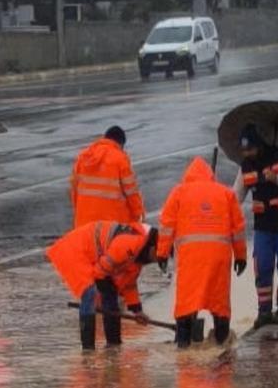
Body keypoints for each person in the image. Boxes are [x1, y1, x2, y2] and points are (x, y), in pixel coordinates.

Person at [157, 156, 247, 348]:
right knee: (219, 301)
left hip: (191, 258)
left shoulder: (179, 192)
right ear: (210, 176)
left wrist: (162, 253)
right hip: (219, 257)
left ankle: (184, 346)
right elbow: (238, 228)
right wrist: (241, 256)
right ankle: (221, 342)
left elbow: (167, 225)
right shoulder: (226, 194)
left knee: (187, 301)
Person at [232, 123, 278, 326]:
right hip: (263, 225)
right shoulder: (245, 167)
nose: (247, 154)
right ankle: (264, 312)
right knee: (262, 266)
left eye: (250, 149)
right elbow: (235, 196)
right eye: (244, 150)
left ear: (259, 145)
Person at [47, 220, 158, 349]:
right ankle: (88, 350)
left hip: (92, 256)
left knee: (111, 295)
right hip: (75, 251)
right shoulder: (129, 244)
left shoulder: (138, 255)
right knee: (90, 292)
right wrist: (108, 293)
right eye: (158, 257)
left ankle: (114, 345)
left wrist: (137, 311)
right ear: (153, 248)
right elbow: (99, 273)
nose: (156, 261)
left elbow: (129, 284)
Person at [70, 126, 145, 228]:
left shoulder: (83, 157)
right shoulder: (120, 159)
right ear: (121, 144)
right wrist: (139, 216)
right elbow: (132, 193)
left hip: (84, 224)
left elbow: (74, 191)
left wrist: (79, 212)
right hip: (111, 226)